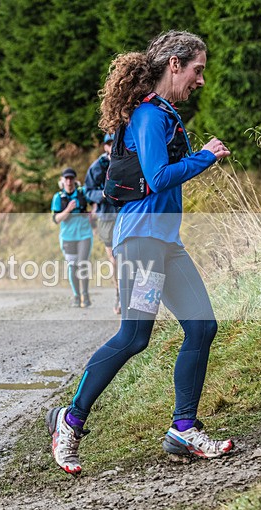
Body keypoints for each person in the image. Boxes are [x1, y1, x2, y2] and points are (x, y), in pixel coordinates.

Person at [46, 30, 234, 476]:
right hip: (142, 243)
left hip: (165, 242)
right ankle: (69, 422)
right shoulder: (149, 115)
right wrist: (206, 156)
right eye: (197, 70)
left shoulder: (164, 113)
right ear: (174, 64)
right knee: (134, 337)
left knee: (203, 326)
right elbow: (158, 174)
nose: (200, 80)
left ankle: (183, 429)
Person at [85, 132, 122, 314]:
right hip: (106, 217)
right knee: (114, 260)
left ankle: (130, 296)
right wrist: (102, 196)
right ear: (105, 147)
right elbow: (87, 191)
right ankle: (119, 294)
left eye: (114, 142)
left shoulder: (126, 160)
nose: (112, 146)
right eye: (109, 143)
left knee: (129, 257)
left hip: (125, 214)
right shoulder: (97, 167)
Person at [51, 167, 93, 308]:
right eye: (66, 178)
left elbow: (95, 203)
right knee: (73, 266)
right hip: (67, 236)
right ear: (62, 181)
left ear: (75, 180)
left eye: (71, 178)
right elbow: (56, 219)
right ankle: (77, 296)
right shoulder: (58, 197)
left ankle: (85, 295)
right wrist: (68, 209)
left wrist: (93, 213)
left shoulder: (82, 193)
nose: (69, 181)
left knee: (82, 263)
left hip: (84, 234)